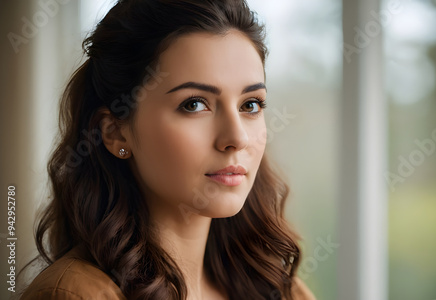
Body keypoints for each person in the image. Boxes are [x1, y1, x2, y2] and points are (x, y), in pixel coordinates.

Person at [19, 0, 315, 299]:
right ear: (115, 132)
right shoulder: (74, 294)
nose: (237, 138)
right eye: (194, 104)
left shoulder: (281, 289)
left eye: (250, 105)